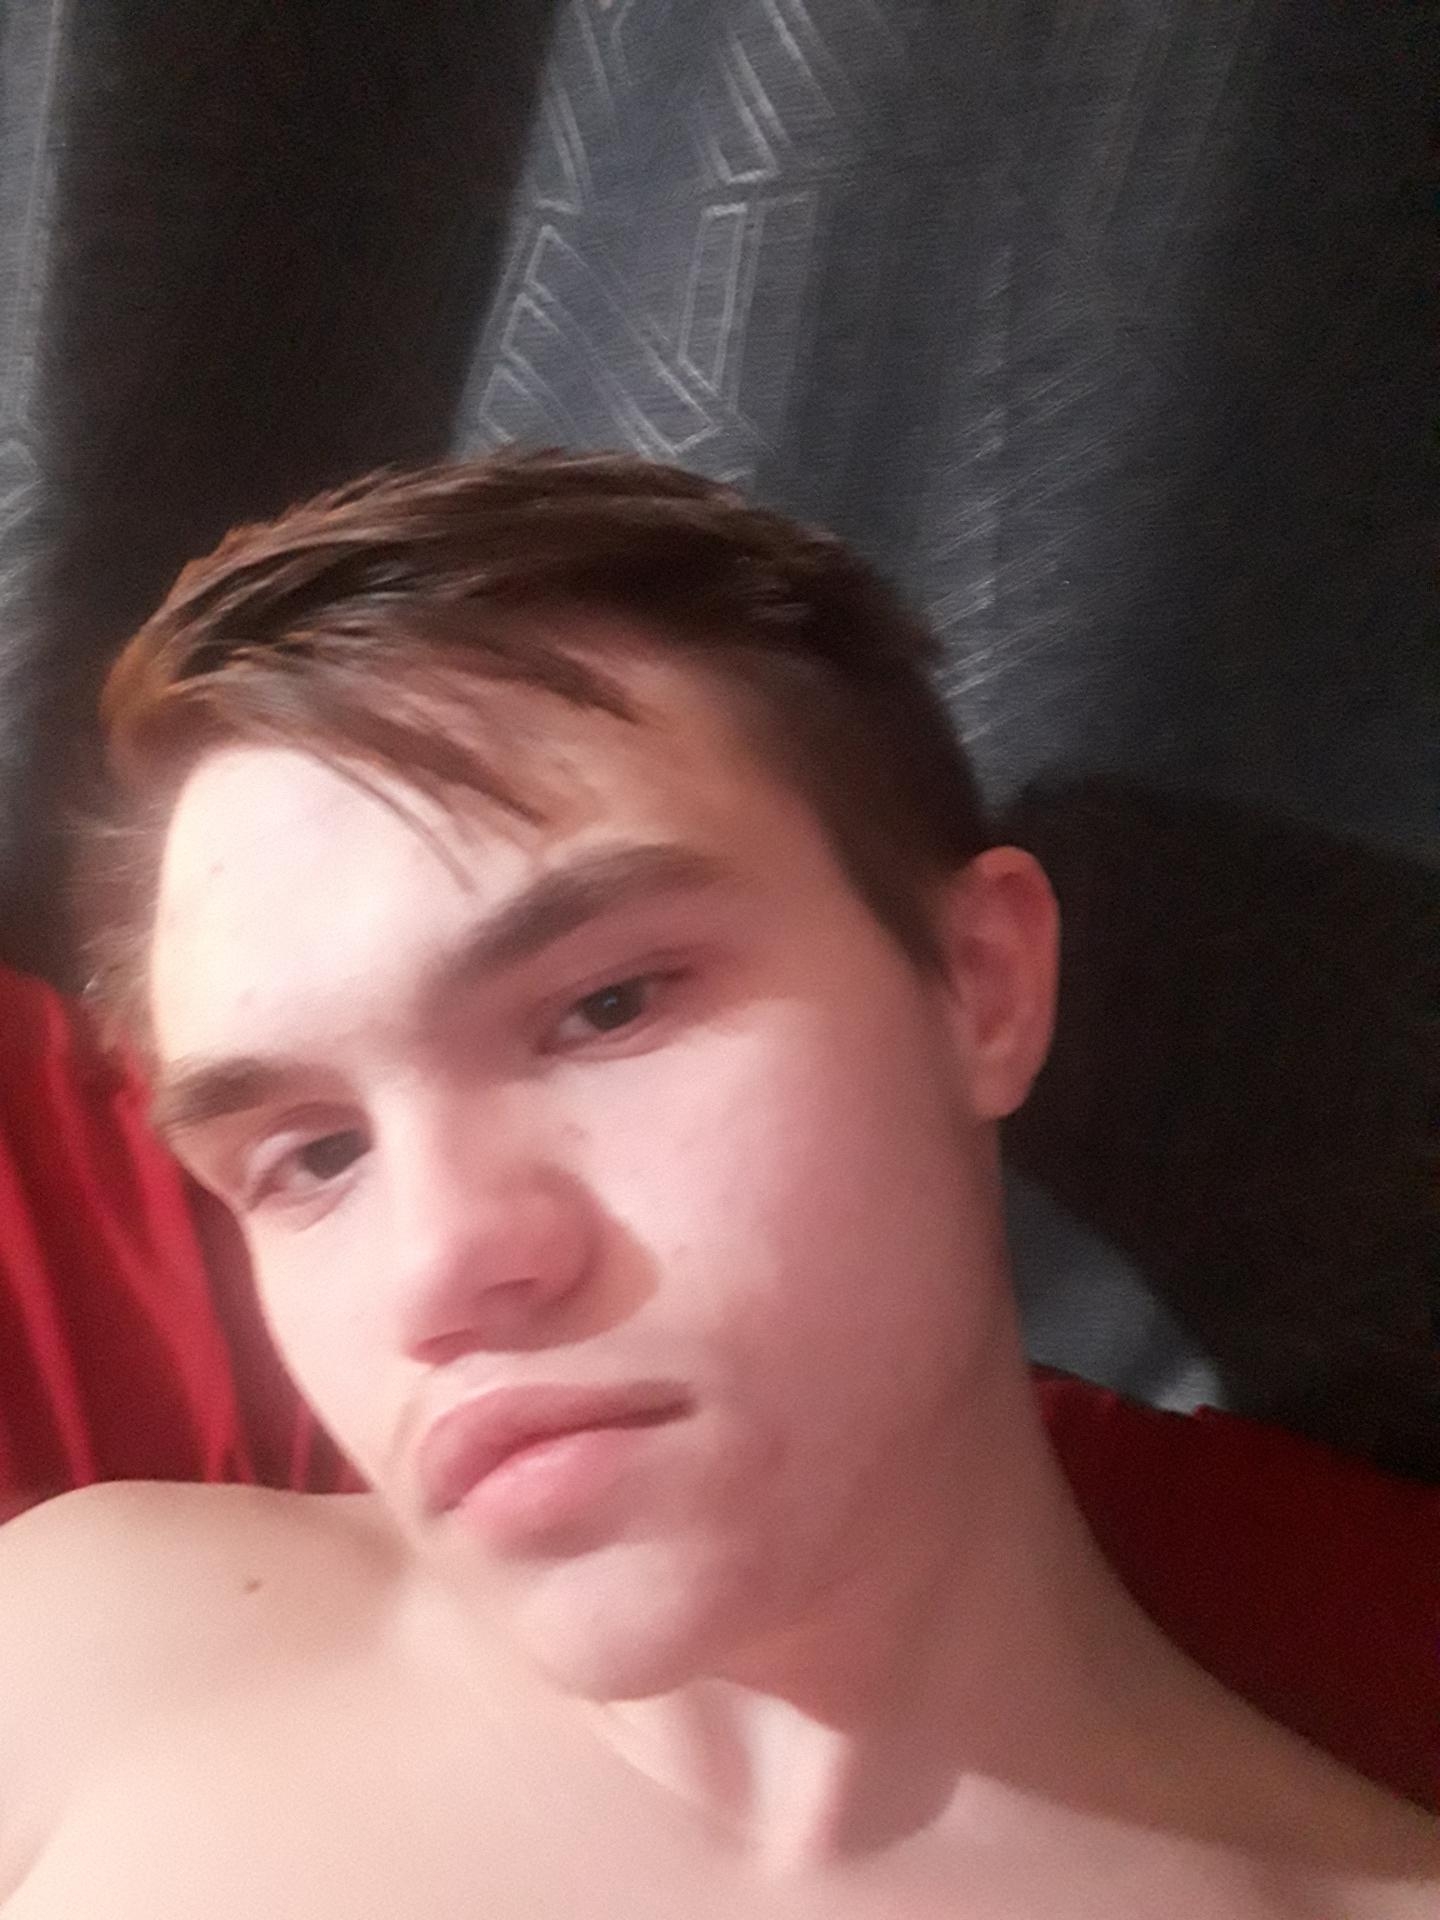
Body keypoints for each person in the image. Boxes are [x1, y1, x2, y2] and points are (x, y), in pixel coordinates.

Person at [0, 452, 1434, 1917]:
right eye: (317, 1154)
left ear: (980, 985)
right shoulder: (73, 1646)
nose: (437, 1267)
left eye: (608, 1007)